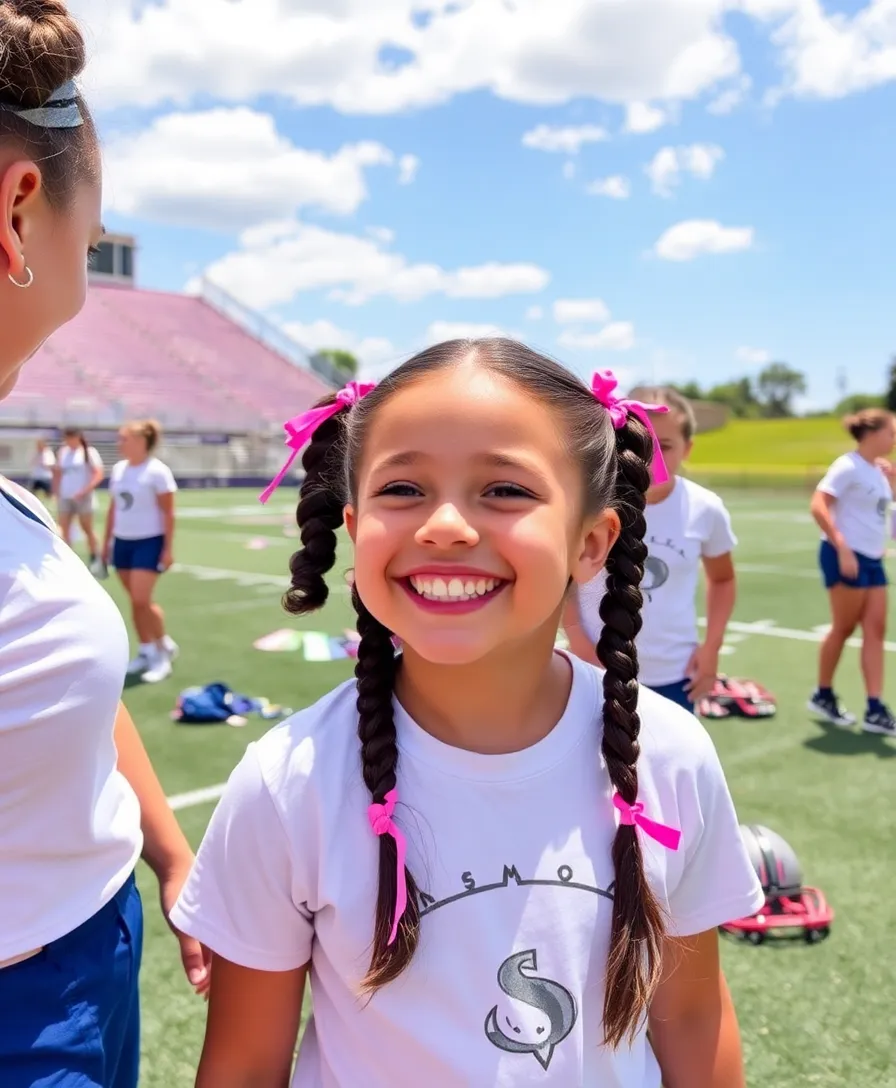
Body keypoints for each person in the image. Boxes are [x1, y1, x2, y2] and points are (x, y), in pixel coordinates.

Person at [172, 343, 762, 1087]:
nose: (445, 524)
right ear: (354, 527)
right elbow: (245, 1063)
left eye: (506, 490)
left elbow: (692, 1020)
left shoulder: (670, 753)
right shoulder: (287, 781)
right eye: (405, 488)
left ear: (592, 543)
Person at [0, 3, 210, 1085]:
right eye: (95, 234)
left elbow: (62, 691)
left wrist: (170, 852)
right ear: (18, 206)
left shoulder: (13, 501)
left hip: (87, 946)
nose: (91, 256)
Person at [564, 385, 737, 713]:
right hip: (594, 666)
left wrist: (712, 648)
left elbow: (723, 579)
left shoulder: (705, 508)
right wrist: (579, 641)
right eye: (640, 443)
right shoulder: (591, 504)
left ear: (688, 448)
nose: (651, 456)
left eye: (666, 446)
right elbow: (565, 577)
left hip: (676, 673)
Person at [808, 407, 896, 735]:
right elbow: (818, 505)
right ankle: (823, 693)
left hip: (871, 559)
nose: (895, 439)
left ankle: (875, 707)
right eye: (892, 433)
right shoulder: (847, 466)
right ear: (872, 434)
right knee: (844, 627)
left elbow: (884, 515)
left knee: (876, 629)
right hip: (845, 556)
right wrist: (843, 547)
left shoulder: (878, 470)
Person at [104, 419, 180, 684]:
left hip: (149, 542)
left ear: (140, 442)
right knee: (136, 602)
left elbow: (168, 512)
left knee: (141, 600)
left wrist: (168, 549)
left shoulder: (157, 472)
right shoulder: (119, 469)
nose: (119, 443)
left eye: (124, 438)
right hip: (122, 542)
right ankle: (146, 649)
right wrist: (106, 543)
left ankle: (162, 654)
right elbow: (114, 509)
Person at [54, 425, 104, 566]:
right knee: (64, 528)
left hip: (83, 497)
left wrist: (85, 490)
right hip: (66, 495)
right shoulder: (63, 452)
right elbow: (58, 473)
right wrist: (57, 491)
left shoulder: (88, 452)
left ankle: (95, 555)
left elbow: (98, 473)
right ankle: (67, 558)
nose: (68, 441)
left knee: (86, 527)